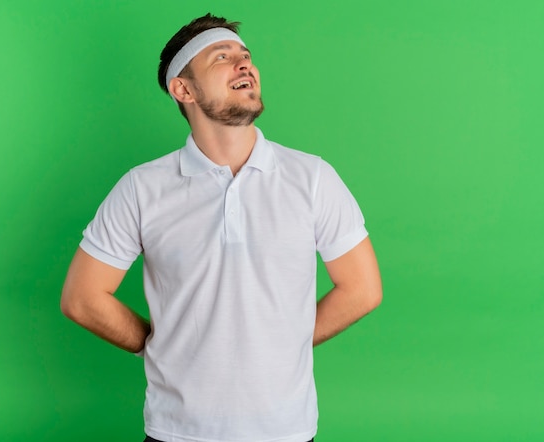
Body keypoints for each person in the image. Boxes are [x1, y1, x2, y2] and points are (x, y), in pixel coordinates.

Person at [61, 13, 382, 442]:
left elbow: (363, 289)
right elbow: (82, 299)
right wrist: (156, 342)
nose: (244, 64)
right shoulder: (142, 188)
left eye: (245, 56)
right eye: (222, 57)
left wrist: (286, 342)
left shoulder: (313, 178)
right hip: (177, 432)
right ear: (183, 89)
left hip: (285, 430)